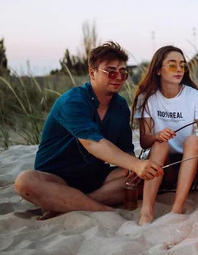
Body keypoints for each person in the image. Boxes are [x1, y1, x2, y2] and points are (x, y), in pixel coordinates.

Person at [14, 42, 163, 219]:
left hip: (95, 178)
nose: (118, 77)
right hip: (57, 178)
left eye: (123, 73)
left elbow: (125, 149)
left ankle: (70, 204)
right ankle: (102, 209)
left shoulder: (120, 106)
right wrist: (137, 165)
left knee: (142, 179)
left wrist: (134, 167)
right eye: (111, 71)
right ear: (92, 73)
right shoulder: (73, 101)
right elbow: (93, 144)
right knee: (25, 181)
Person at [132, 46, 198, 225]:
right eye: (172, 65)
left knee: (193, 140)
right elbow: (144, 141)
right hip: (165, 166)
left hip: (193, 163)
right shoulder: (146, 98)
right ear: (158, 70)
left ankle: (176, 209)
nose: (179, 69)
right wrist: (157, 136)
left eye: (182, 65)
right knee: (160, 144)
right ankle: (146, 212)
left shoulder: (193, 96)